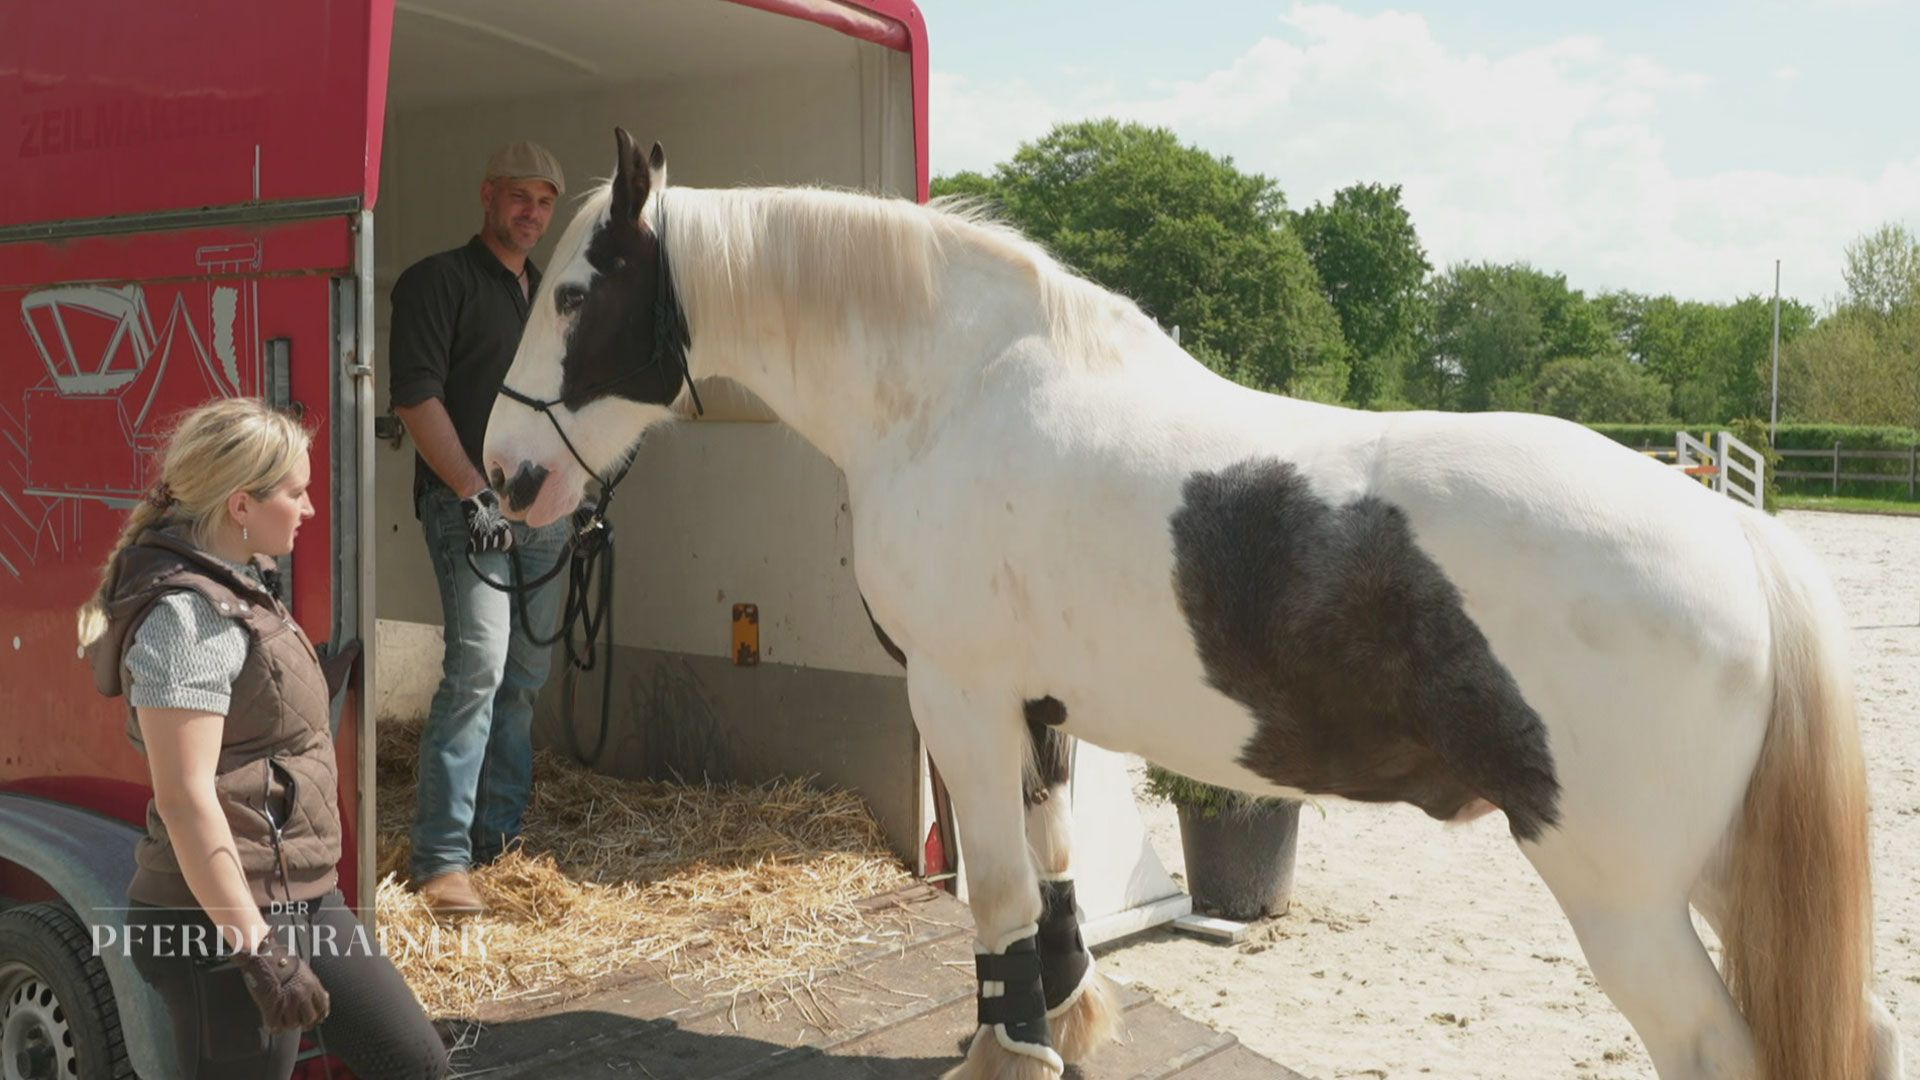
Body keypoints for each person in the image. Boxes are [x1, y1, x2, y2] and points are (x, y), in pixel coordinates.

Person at [78, 398, 448, 1079]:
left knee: (413, 1061)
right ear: (241, 504)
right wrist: (258, 949)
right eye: (297, 493)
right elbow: (187, 799)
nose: (310, 508)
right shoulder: (185, 619)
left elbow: (258, 717)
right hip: (217, 921)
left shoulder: (241, 583)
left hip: (302, 893)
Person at [387, 141, 572, 915]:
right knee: (479, 672)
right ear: (488, 194)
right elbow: (415, 398)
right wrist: (472, 493)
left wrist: (577, 492)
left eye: (545, 202)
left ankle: (501, 845)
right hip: (469, 512)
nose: (531, 213)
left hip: (546, 514)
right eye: (520, 197)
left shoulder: (554, 294)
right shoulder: (439, 281)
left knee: (524, 681)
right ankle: (441, 860)